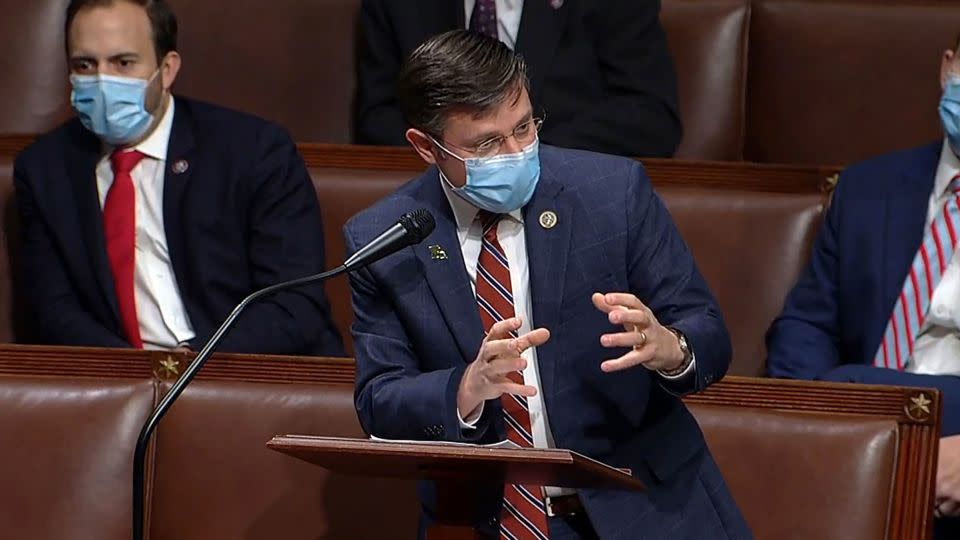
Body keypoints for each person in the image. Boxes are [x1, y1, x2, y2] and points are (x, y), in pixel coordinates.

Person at [345, 30, 749, 539]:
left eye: (525, 127)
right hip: (484, 522)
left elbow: (709, 334)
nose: (516, 152)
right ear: (426, 147)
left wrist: (670, 347)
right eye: (488, 143)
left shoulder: (612, 193)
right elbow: (380, 400)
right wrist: (465, 389)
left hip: (643, 512)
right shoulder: (385, 236)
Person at [12, 0, 344, 356]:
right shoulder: (45, 169)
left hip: (250, 378)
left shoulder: (254, 152)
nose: (103, 82)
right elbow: (53, 310)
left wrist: (191, 367)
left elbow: (293, 305)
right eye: (85, 65)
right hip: (124, 388)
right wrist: (134, 378)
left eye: (123, 63)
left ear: (167, 69)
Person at [766, 33, 960, 537]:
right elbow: (805, 327)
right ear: (948, 68)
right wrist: (818, 432)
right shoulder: (867, 187)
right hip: (860, 426)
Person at [354, 0, 682, 158]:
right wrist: (458, 161)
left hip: (564, 188)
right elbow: (377, 116)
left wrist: (520, 153)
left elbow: (651, 117)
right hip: (442, 195)